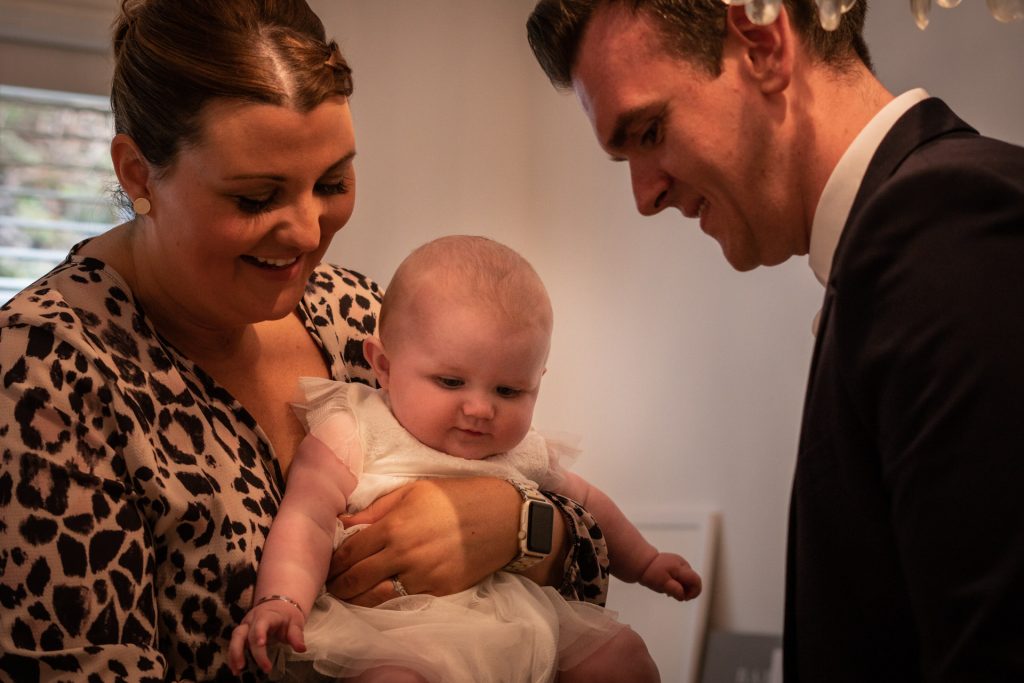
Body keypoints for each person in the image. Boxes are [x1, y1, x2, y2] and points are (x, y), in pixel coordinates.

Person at [0, 2, 614, 680]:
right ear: (139, 173)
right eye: (256, 197)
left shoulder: (353, 312)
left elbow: (586, 562)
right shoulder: (45, 372)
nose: (305, 231)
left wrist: (514, 525)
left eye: (331, 183)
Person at [525, 1, 1024, 681]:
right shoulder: (897, 236)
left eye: (649, 130)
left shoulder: (940, 222)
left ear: (762, 46)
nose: (644, 195)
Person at [227, 235, 702, 682]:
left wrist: (645, 562)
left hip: (516, 621)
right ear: (384, 366)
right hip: (393, 633)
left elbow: (587, 502)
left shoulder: (520, 448)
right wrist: (283, 597)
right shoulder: (356, 429)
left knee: (624, 658)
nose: (480, 409)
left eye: (509, 390)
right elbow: (306, 518)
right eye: (451, 383)